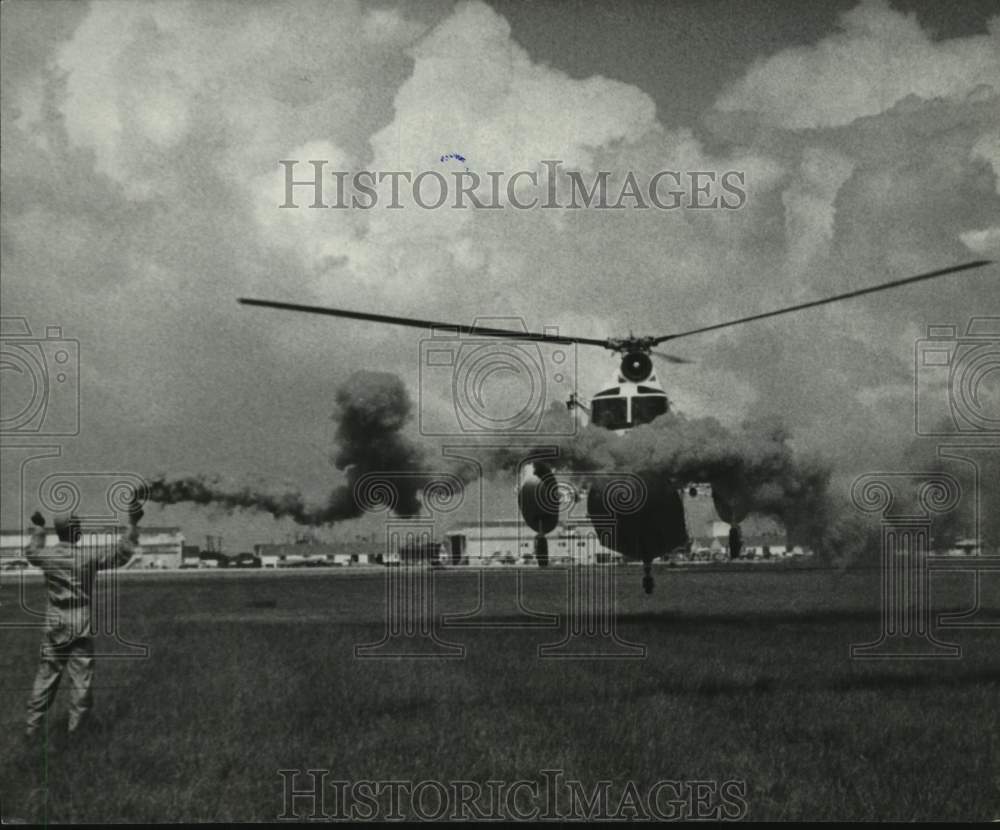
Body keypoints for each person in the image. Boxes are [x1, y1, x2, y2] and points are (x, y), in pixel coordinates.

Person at [23, 495, 144, 740]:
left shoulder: (47, 557)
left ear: (58, 532)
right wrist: (132, 521)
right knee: (81, 680)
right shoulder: (87, 558)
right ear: (77, 532)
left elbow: (32, 552)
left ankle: (32, 728)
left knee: (47, 676)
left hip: (55, 623)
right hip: (81, 623)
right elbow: (122, 553)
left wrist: (38, 528)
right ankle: (77, 732)